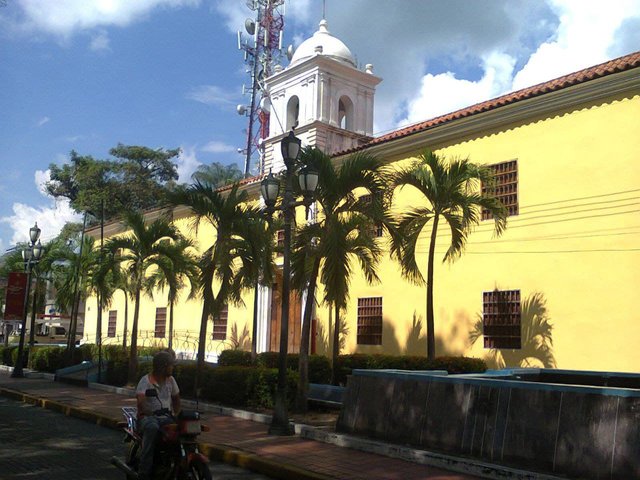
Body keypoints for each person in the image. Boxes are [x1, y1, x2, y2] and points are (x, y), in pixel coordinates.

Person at [135, 350, 181, 480]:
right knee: (152, 428)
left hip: (165, 417)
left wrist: (177, 415)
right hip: (147, 418)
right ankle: (144, 473)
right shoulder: (145, 381)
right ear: (163, 367)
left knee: (181, 430)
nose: (172, 368)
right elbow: (141, 401)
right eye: (171, 365)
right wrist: (148, 410)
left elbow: (176, 399)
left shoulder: (171, 380)